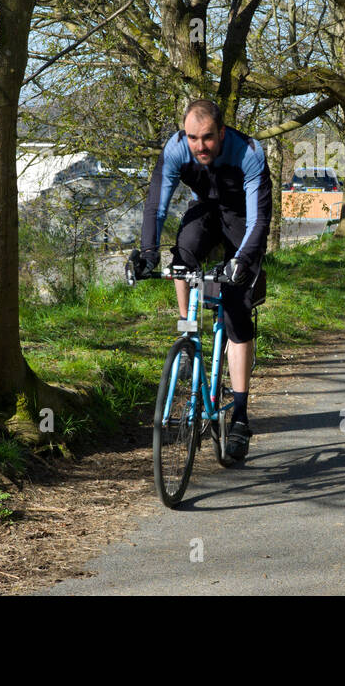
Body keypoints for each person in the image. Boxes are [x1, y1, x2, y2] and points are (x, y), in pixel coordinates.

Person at [131, 99, 272, 460]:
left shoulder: (249, 153)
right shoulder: (177, 148)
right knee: (184, 253)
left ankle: (239, 416)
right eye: (193, 138)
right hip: (205, 211)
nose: (200, 146)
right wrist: (147, 254)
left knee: (237, 316)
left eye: (208, 138)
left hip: (241, 217)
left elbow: (259, 221)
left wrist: (242, 261)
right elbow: (156, 205)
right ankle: (188, 332)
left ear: (222, 132)